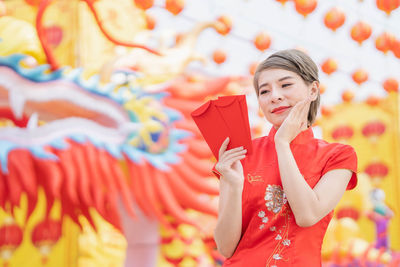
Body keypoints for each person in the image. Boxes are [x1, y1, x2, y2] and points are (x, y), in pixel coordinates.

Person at [212, 49, 358, 267]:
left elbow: (307, 215)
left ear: (313, 89)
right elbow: (225, 247)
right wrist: (233, 185)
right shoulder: (241, 154)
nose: (275, 96)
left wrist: (282, 144)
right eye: (264, 91)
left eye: (286, 85)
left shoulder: (337, 156)